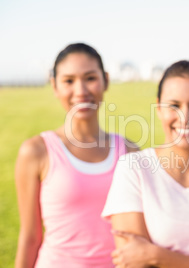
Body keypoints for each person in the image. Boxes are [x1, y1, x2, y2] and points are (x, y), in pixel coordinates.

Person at [102, 60, 189, 268]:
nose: (184, 117)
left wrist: (157, 257)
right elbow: (131, 262)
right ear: (159, 108)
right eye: (174, 105)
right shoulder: (134, 169)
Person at [15, 43, 138, 267]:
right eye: (69, 81)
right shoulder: (36, 151)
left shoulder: (129, 150)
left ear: (106, 80)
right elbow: (30, 237)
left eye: (90, 78)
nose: (81, 91)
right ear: (54, 86)